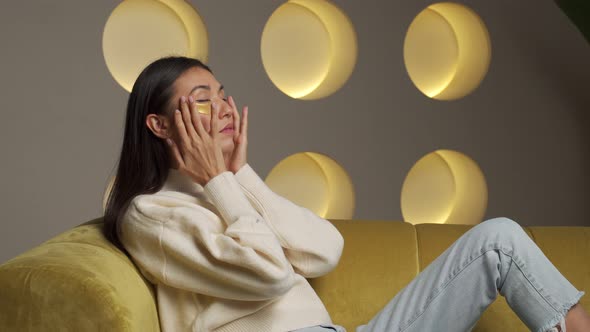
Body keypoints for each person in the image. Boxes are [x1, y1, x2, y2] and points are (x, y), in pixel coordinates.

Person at [103, 56, 589, 332]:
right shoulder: (152, 213)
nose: (226, 106)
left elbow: (326, 251)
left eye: (223, 93)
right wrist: (219, 183)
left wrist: (242, 175)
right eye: (204, 102)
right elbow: (272, 275)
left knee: (498, 240)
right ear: (160, 125)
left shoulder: (228, 190)